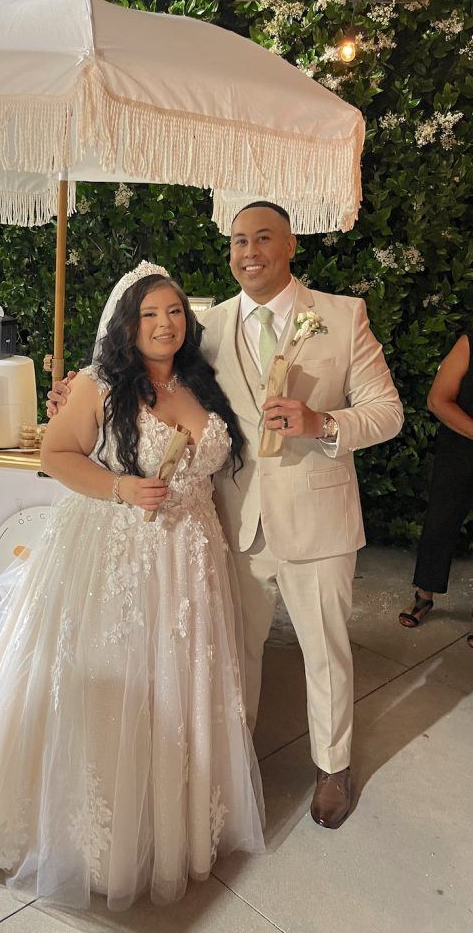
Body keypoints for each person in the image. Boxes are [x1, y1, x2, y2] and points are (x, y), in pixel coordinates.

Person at [0, 262, 264, 912]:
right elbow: (57, 455)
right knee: (119, 680)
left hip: (189, 557)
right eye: (150, 314)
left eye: (173, 312)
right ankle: (99, 836)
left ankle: (175, 816)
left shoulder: (198, 380)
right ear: (127, 325)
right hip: (120, 549)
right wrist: (121, 486)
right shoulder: (101, 385)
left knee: (179, 680)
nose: (165, 324)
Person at [49, 202, 403, 830]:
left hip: (317, 520)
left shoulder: (343, 316)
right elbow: (146, 368)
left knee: (325, 650)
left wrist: (323, 423)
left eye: (263, 237)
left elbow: (387, 412)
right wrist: (75, 393)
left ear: (290, 244)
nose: (249, 251)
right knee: (230, 652)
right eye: (238, 240)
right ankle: (232, 761)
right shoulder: (208, 323)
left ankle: (333, 766)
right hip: (230, 521)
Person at [398, 332, 473, 647]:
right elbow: (437, 400)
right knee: (440, 523)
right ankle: (424, 595)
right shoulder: (470, 342)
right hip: (461, 449)